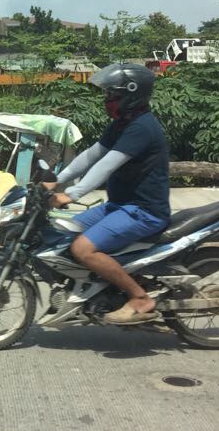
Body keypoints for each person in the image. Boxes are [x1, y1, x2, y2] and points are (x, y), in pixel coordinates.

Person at [49, 62, 170, 325]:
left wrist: (72, 194)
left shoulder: (142, 128)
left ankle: (140, 297)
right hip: (119, 206)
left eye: (112, 95)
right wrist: (54, 181)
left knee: (83, 248)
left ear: (131, 94)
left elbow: (106, 165)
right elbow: (91, 156)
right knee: (64, 229)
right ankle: (99, 289)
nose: (107, 100)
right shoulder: (122, 124)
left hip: (143, 211)